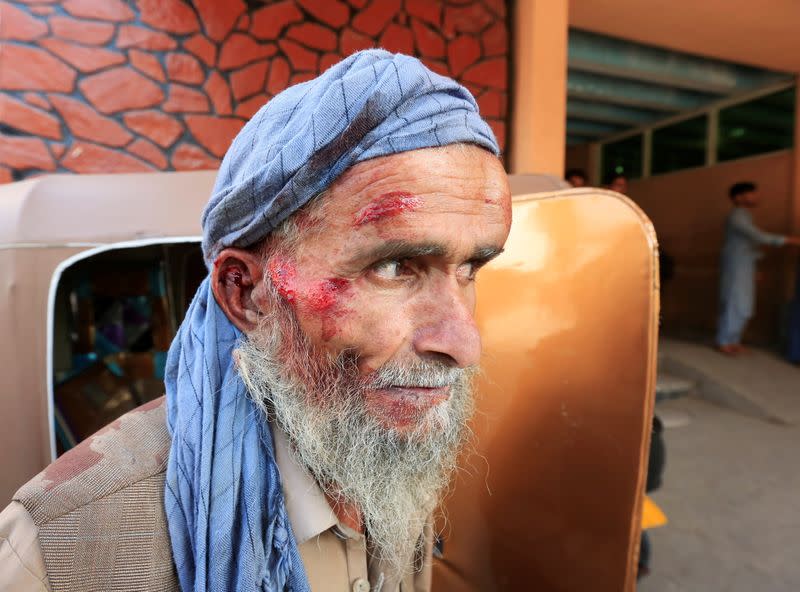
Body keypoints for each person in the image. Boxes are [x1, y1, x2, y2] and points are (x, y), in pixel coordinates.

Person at [0, 50, 512, 591]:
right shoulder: (58, 554)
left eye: (470, 268)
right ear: (246, 293)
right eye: (393, 266)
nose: (463, 343)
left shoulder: (386, 455)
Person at [716, 182, 800, 355]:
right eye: (751, 193)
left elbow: (751, 244)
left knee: (744, 305)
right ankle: (724, 341)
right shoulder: (737, 216)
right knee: (735, 302)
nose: (756, 197)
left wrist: (754, 268)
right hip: (736, 265)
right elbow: (756, 236)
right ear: (738, 197)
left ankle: (734, 340)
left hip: (745, 265)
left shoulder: (746, 215)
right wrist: (789, 240)